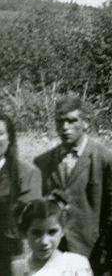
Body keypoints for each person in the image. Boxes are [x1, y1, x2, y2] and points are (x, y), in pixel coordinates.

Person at [34, 95, 112, 257]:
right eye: (60, 121)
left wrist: (108, 250)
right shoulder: (42, 163)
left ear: (85, 123)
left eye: (71, 121)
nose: (65, 127)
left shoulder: (105, 160)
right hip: (54, 253)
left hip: (93, 253)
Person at [0, 113, 41, 274]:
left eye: (0, 134)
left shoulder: (26, 173)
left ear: (9, 139)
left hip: (8, 257)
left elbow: (27, 222)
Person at [12, 196, 92, 276]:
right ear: (25, 232)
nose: (44, 241)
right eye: (36, 233)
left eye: (52, 232)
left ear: (63, 230)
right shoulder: (17, 268)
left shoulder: (76, 265)